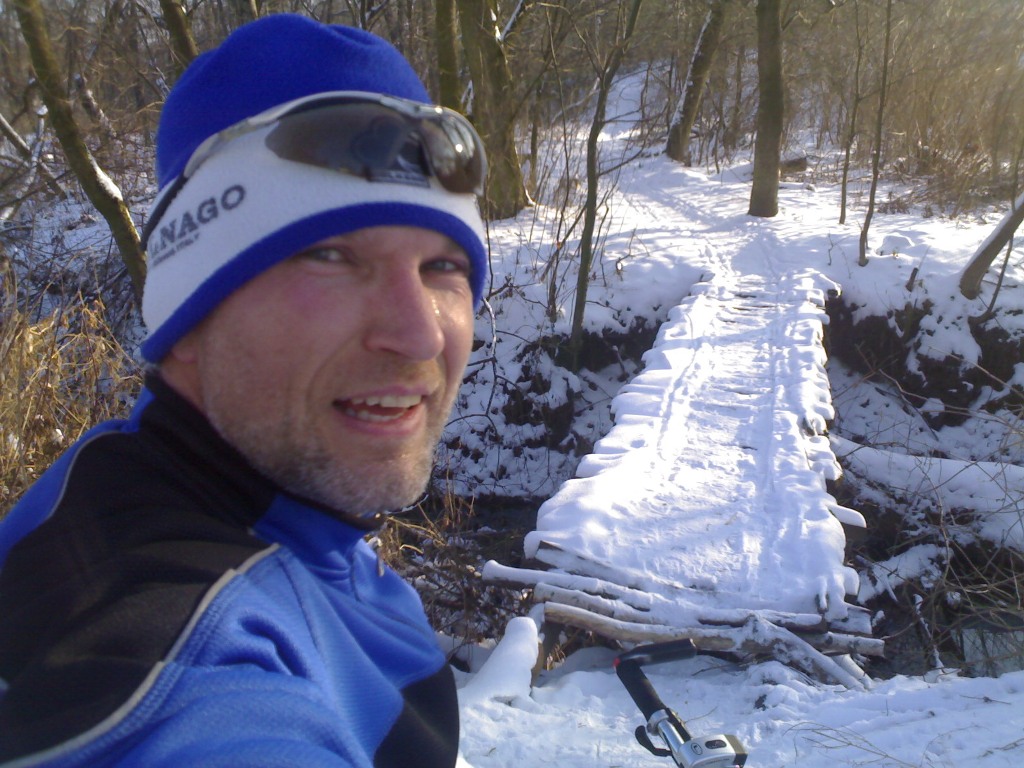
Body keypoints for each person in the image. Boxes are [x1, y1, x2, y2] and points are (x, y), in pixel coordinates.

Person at [0, 13, 488, 767]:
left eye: (443, 267)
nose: (420, 335)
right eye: (330, 256)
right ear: (187, 317)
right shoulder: (164, 630)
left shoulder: (292, 516)